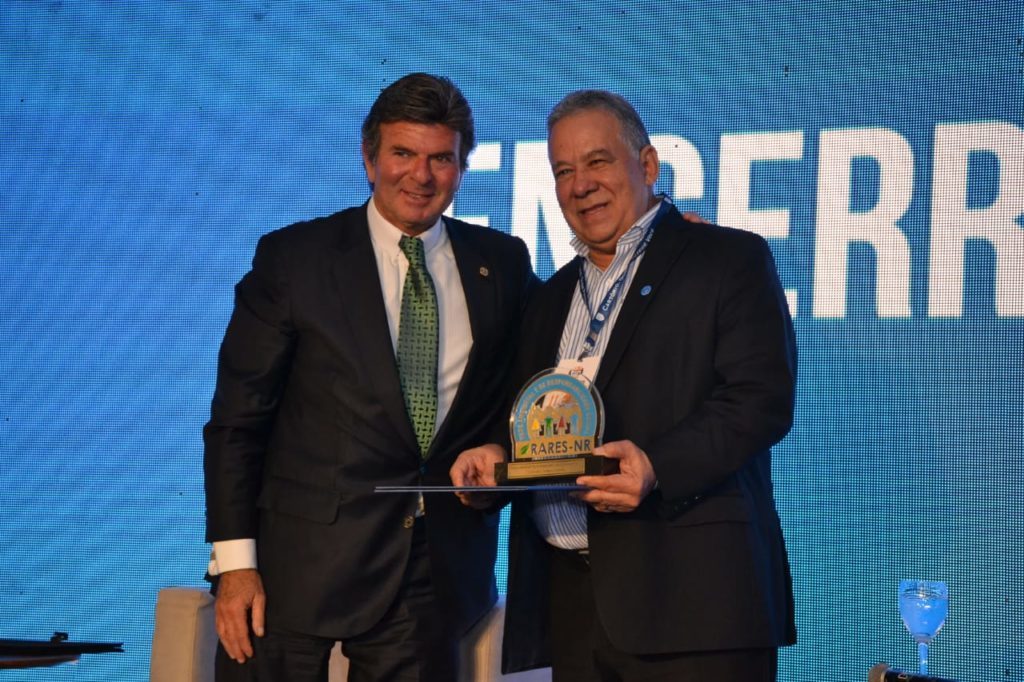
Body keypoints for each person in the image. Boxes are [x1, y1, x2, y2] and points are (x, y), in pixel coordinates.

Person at [451, 90, 797, 681]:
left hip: (694, 608)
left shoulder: (726, 259)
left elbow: (760, 400)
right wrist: (498, 460)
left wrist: (657, 466)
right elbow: (542, 422)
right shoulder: (549, 298)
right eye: (564, 170)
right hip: (575, 614)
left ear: (648, 165)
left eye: (597, 161)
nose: (580, 184)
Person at [204, 72, 537, 681]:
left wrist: (665, 240)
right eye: (403, 153)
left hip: (428, 578)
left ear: (463, 167)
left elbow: (548, 363)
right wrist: (235, 565)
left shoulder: (502, 262)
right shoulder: (295, 260)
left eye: (441, 159)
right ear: (369, 157)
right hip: (292, 571)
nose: (421, 176)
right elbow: (236, 422)